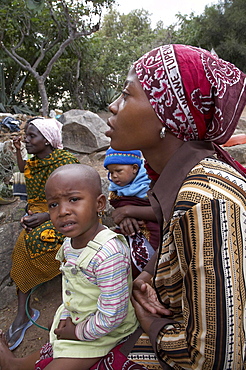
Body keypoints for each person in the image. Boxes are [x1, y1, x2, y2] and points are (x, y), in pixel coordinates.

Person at [104, 44, 246, 368]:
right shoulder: (182, 175)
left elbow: (217, 359)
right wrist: (149, 273)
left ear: (166, 117)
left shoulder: (204, 204)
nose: (113, 107)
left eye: (126, 95)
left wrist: (150, 323)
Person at [0, 163, 139, 370]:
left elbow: (112, 316)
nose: (63, 211)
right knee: (53, 344)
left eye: (74, 199)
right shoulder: (70, 243)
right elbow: (73, 288)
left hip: (107, 332)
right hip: (82, 316)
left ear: (99, 204)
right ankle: (14, 364)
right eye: (53, 205)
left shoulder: (108, 254)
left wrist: (75, 332)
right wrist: (65, 316)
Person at [6, 117, 80, 351]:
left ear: (47, 140)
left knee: (40, 240)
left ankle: (66, 303)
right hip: (40, 212)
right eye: (26, 136)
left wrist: (47, 216)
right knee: (23, 242)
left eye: (31, 136)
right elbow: (24, 172)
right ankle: (23, 313)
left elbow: (78, 198)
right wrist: (32, 214)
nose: (27, 140)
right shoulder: (35, 162)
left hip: (66, 214)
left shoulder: (66, 162)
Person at [104, 148, 160, 278]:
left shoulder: (150, 182)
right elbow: (116, 208)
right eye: (111, 172)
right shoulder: (117, 188)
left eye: (118, 171)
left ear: (135, 168)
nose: (114, 176)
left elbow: (164, 210)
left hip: (153, 229)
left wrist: (127, 211)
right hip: (128, 230)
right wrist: (124, 217)